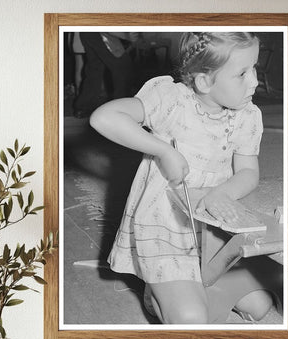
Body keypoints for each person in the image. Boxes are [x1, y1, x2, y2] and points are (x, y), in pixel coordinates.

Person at [90, 32, 278, 324]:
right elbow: (103, 117)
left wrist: (221, 193)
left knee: (260, 306)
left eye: (253, 68)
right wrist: (163, 150)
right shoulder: (171, 100)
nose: (254, 81)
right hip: (166, 230)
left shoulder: (247, 115)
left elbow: (248, 172)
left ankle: (183, 289)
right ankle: (158, 292)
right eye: (242, 73)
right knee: (192, 318)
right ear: (203, 81)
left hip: (211, 233)